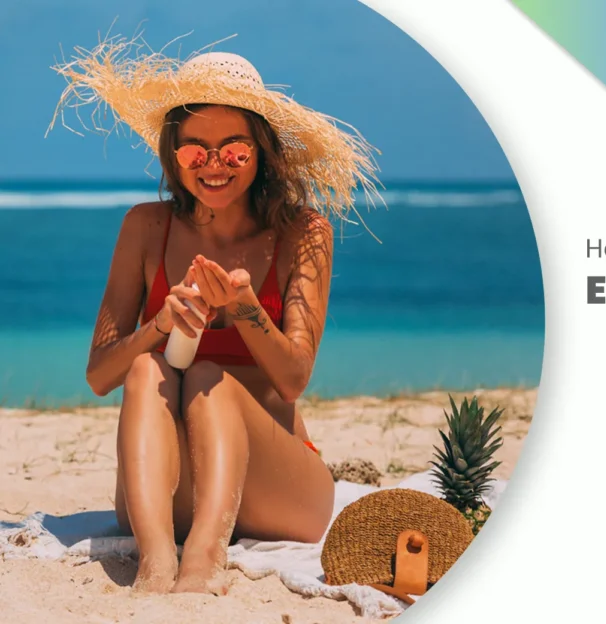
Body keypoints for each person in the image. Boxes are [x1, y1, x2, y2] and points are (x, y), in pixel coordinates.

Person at [48, 42, 380, 595]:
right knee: (144, 370)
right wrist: (158, 326)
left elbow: (294, 377)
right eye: (194, 151)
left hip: (282, 493)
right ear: (172, 155)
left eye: (234, 150)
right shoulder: (146, 229)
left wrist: (245, 308)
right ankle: (156, 562)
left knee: (207, 377)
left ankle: (203, 559)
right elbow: (99, 375)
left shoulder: (303, 233)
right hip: (164, 495)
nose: (214, 164)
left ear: (262, 152)